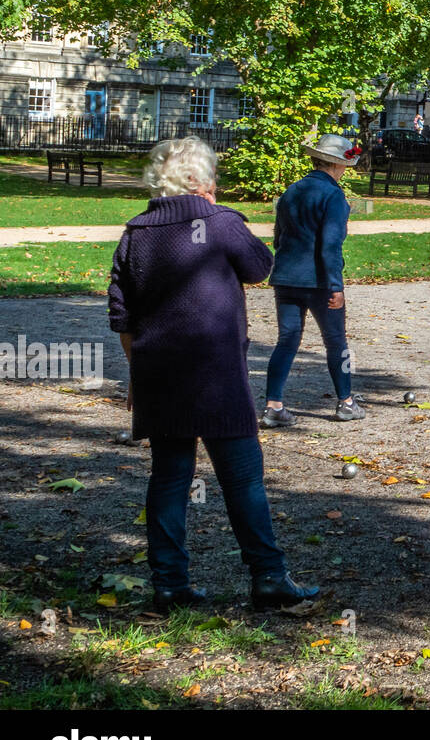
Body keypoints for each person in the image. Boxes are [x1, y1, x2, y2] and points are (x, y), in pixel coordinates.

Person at [108, 137, 319, 616]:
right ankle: (268, 577)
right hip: (216, 371)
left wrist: (138, 375)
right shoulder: (221, 223)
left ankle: (168, 585)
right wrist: (219, 213)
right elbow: (260, 267)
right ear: (200, 181)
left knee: (168, 479)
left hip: (160, 372)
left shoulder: (136, 232)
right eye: (213, 177)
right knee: (242, 478)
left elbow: (123, 317)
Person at [262, 133, 364, 426]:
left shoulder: (291, 191)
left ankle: (273, 406)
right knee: (336, 342)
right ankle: (345, 402)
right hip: (319, 281)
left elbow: (279, 236)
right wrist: (336, 285)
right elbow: (330, 245)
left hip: (286, 277)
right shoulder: (333, 196)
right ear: (336, 165)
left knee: (287, 341)